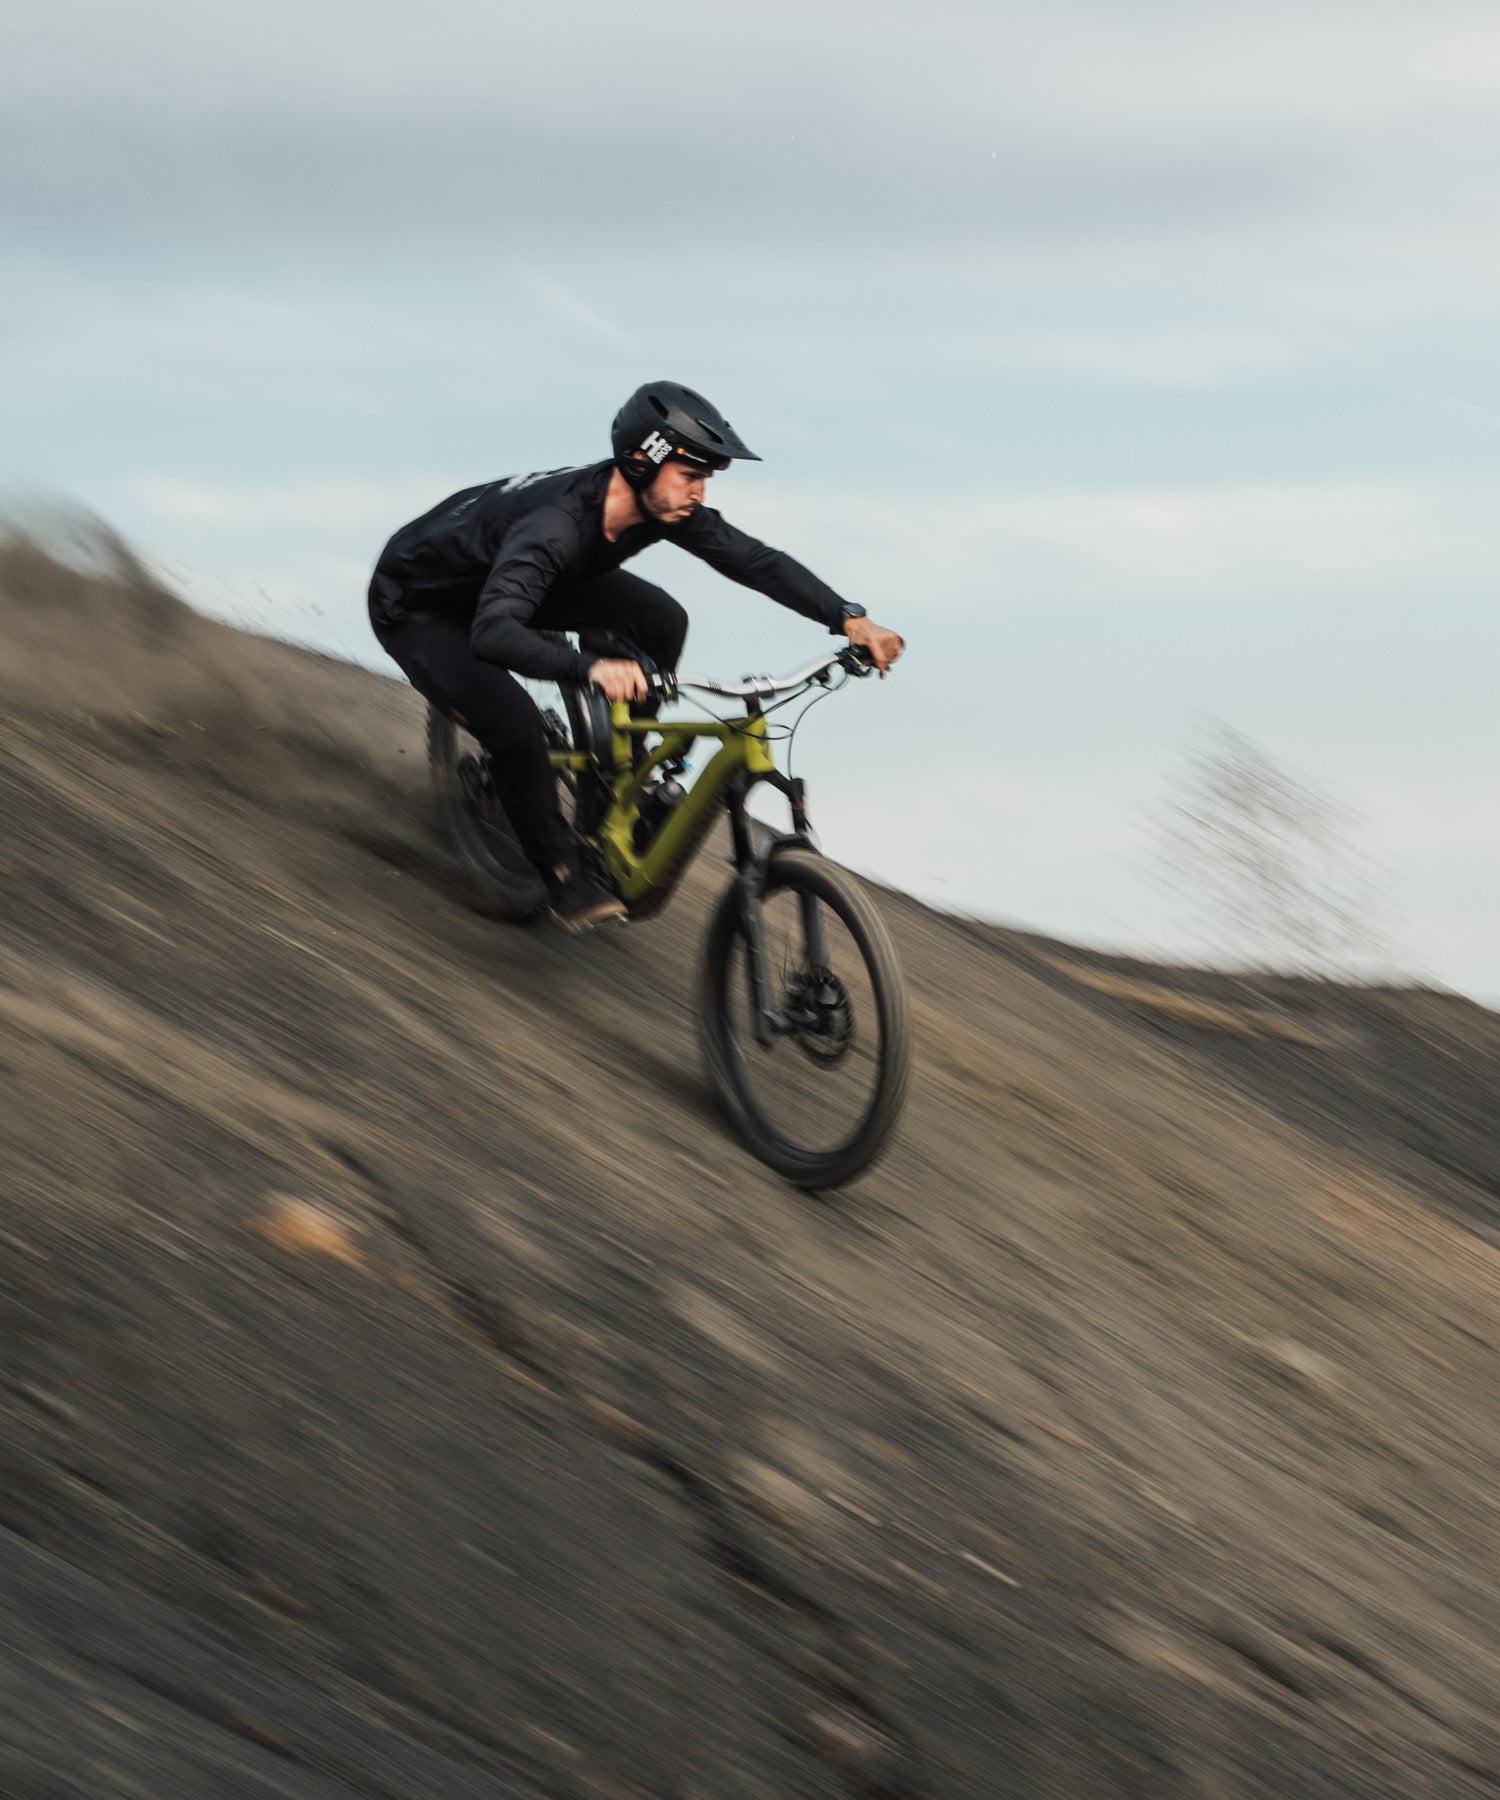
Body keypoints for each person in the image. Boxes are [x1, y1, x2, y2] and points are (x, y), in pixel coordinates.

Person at [369, 380, 904, 929]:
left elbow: (757, 561)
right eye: (690, 477)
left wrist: (848, 617)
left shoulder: (656, 506)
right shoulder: (554, 527)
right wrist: (592, 668)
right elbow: (494, 633)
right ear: (643, 462)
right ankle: (561, 874)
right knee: (516, 728)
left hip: (513, 582)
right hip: (423, 605)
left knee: (661, 621)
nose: (701, 493)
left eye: (705, 480)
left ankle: (619, 775)